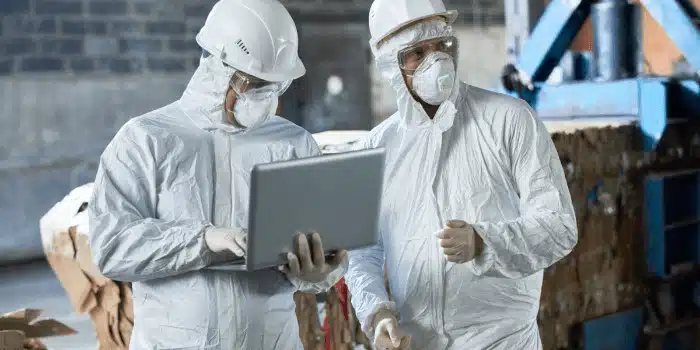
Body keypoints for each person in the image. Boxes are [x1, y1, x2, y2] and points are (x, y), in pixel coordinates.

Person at [88, 0, 347, 348]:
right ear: (217, 67)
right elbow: (112, 247)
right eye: (254, 84)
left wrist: (318, 273)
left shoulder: (293, 144)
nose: (265, 98)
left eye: (275, 87)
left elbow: (318, 246)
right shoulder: (146, 139)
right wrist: (204, 240)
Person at [344, 0, 578, 349]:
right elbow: (362, 252)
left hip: (501, 341)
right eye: (417, 52)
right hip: (416, 341)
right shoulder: (377, 148)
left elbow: (559, 226)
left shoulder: (509, 120)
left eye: (442, 45)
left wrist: (485, 242)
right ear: (391, 65)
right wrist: (377, 315)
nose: (436, 60)